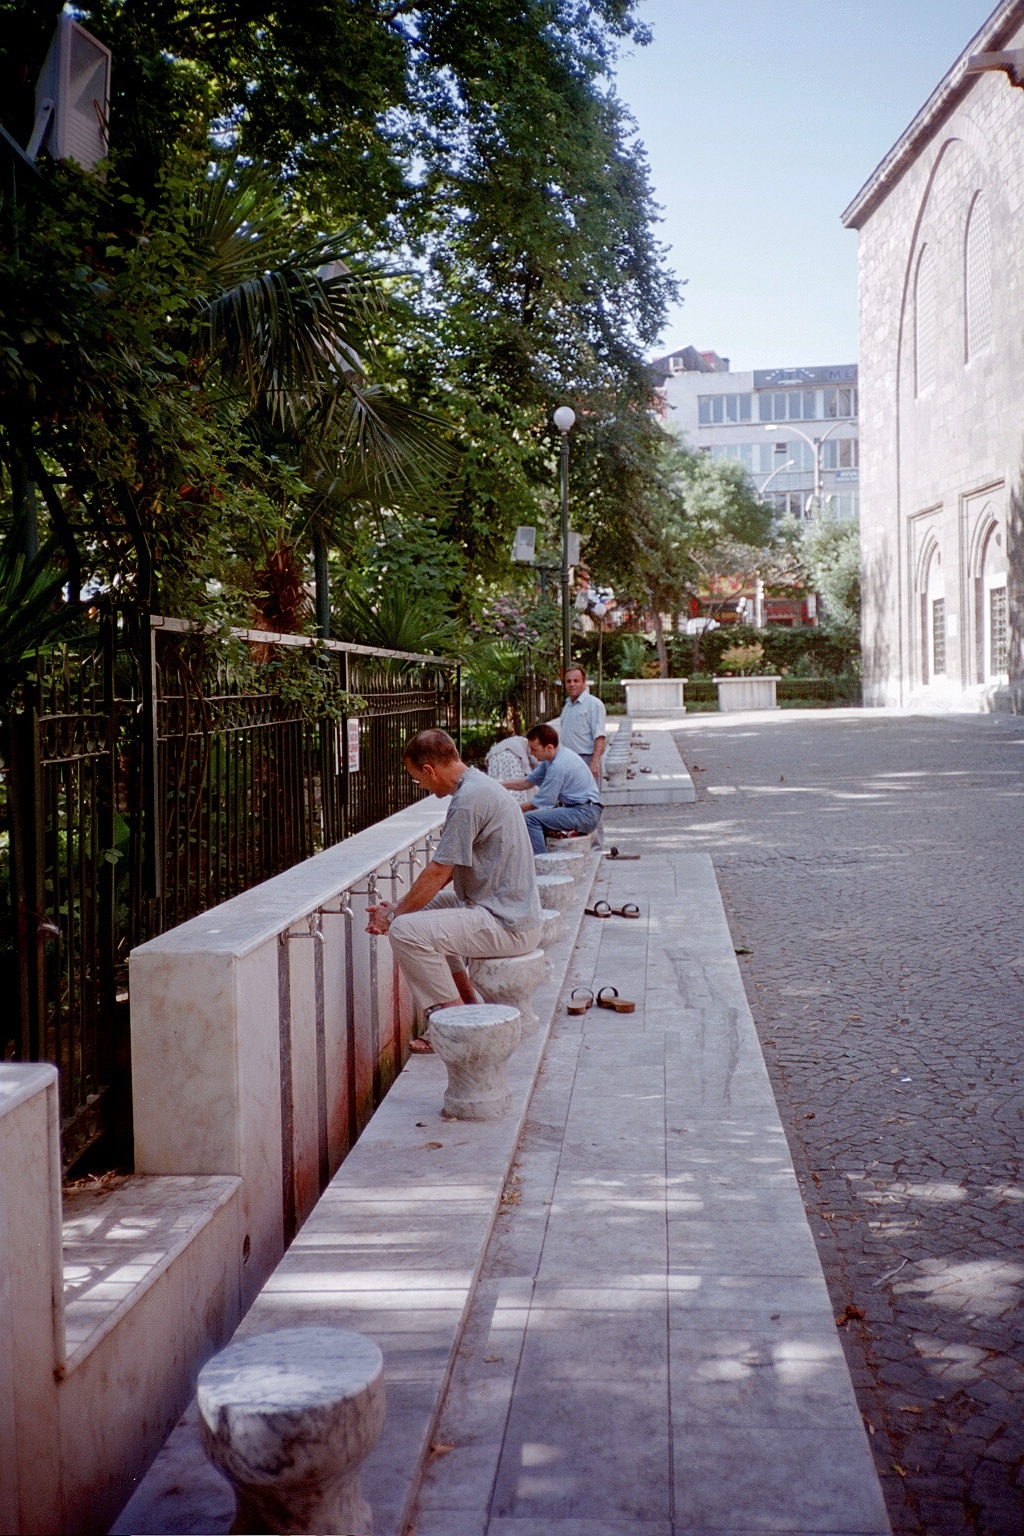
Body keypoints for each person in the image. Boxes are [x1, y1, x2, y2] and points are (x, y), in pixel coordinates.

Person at [365, 728, 542, 1018]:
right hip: (508, 912)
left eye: (417, 778)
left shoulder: (468, 800)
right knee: (413, 918)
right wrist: (400, 907)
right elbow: (450, 867)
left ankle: (459, 1022)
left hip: (509, 924)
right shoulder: (477, 786)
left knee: (404, 931)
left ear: (429, 770)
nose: (420, 785)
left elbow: (437, 872)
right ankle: (468, 1006)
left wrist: (394, 917)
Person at [502, 722, 603, 855]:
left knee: (530, 819)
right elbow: (527, 782)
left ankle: (542, 863)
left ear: (549, 748)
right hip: (581, 809)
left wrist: (509, 811)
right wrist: (499, 785)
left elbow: (537, 804)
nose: (531, 754)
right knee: (534, 818)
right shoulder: (553, 758)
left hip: (585, 813)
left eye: (534, 749)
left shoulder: (558, 766)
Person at [558, 665, 606, 783]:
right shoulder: (567, 705)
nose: (572, 684)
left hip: (587, 759)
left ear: (584, 682)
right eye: (568, 681)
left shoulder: (593, 704)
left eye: (576, 681)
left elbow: (599, 736)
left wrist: (594, 763)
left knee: (588, 799)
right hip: (569, 760)